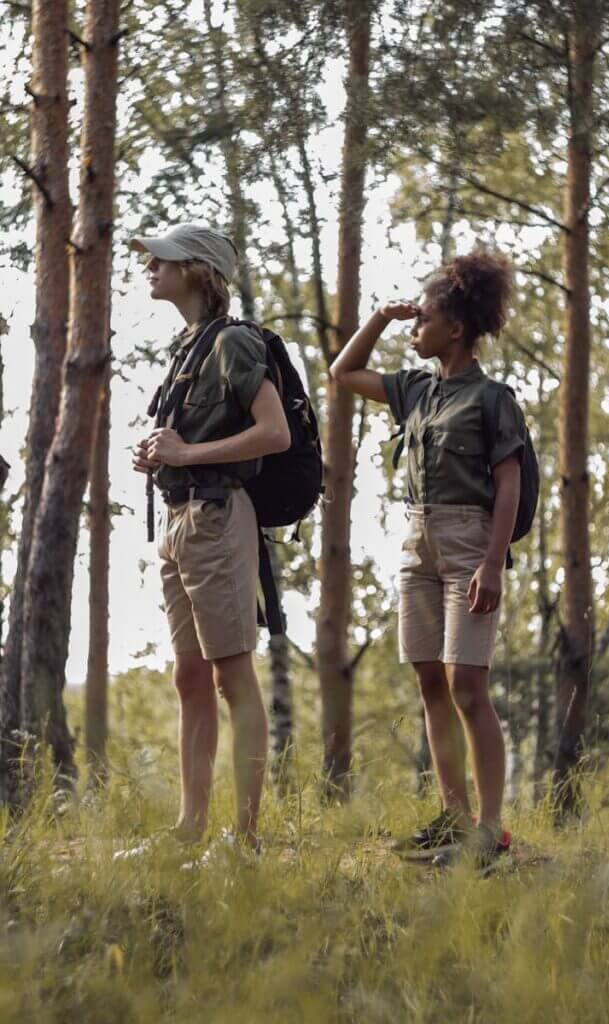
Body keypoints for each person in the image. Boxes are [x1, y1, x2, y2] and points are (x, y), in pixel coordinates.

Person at [330, 250, 524, 870]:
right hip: (417, 542)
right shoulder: (413, 388)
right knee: (431, 682)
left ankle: (489, 833)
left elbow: (511, 482)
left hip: (470, 542)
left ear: (456, 328)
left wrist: (493, 564)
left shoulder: (493, 398)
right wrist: (382, 319)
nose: (416, 328)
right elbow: (343, 372)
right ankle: (453, 817)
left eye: (424, 317)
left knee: (468, 685)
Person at [119, 223, 290, 861]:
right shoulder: (187, 347)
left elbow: (274, 433)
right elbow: (193, 441)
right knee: (190, 676)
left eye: (162, 260)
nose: (150, 268)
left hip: (217, 518)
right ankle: (190, 830)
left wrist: (189, 452)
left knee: (230, 676)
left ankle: (243, 841)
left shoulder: (234, 343)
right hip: (179, 520)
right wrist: (163, 455)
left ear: (197, 269)